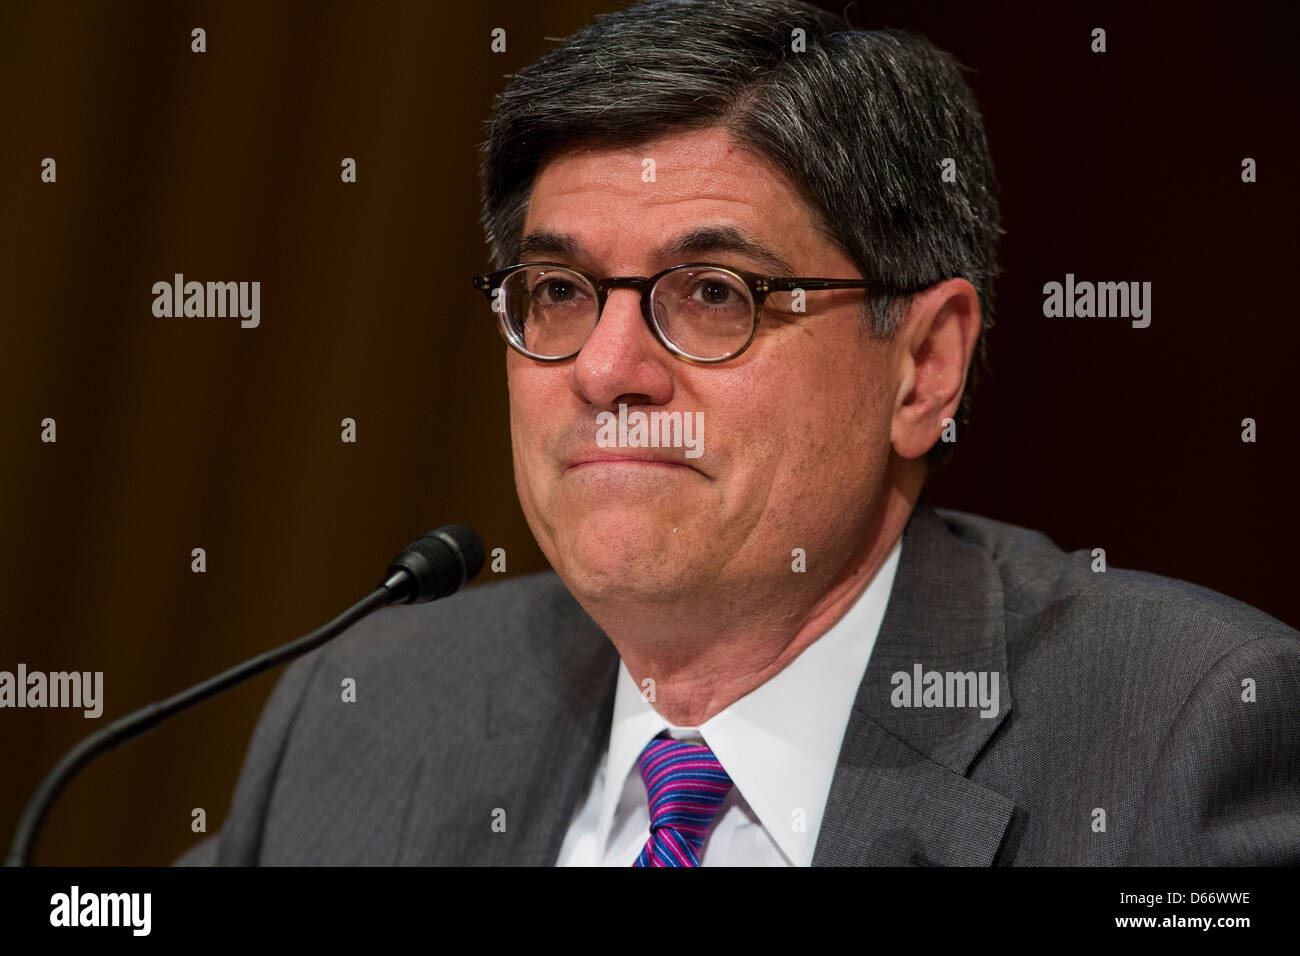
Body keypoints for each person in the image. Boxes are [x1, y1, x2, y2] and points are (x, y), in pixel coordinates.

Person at [177, 0, 1300, 866]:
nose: (608, 369)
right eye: (561, 291)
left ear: (923, 366)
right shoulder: (367, 709)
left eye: (713, 292)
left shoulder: (1176, 737)